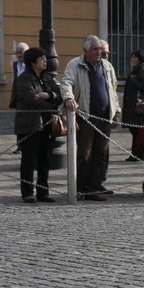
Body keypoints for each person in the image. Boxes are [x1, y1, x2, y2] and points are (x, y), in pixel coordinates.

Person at [60, 35, 119, 200]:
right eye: (95, 49)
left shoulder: (107, 66)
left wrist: (117, 111)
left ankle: (94, 188)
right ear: (85, 51)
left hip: (105, 117)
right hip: (85, 117)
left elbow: (113, 91)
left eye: (100, 48)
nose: (99, 52)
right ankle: (78, 189)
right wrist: (69, 98)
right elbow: (66, 83)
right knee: (84, 154)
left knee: (101, 154)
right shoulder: (75, 64)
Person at [13, 47, 62, 203]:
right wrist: (51, 106)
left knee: (44, 159)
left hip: (47, 124)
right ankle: (27, 192)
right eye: (42, 59)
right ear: (33, 62)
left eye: (45, 58)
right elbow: (31, 100)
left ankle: (43, 191)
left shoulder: (47, 78)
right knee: (28, 159)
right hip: (30, 124)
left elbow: (59, 94)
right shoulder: (24, 79)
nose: (45, 61)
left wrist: (50, 95)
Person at [122, 49, 144, 161]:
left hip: (139, 104)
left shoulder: (143, 69)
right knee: (135, 129)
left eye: (135, 57)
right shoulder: (137, 70)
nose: (132, 59)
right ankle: (136, 154)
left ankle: (138, 154)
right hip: (134, 104)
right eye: (132, 57)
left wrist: (134, 79)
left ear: (140, 59)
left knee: (137, 129)